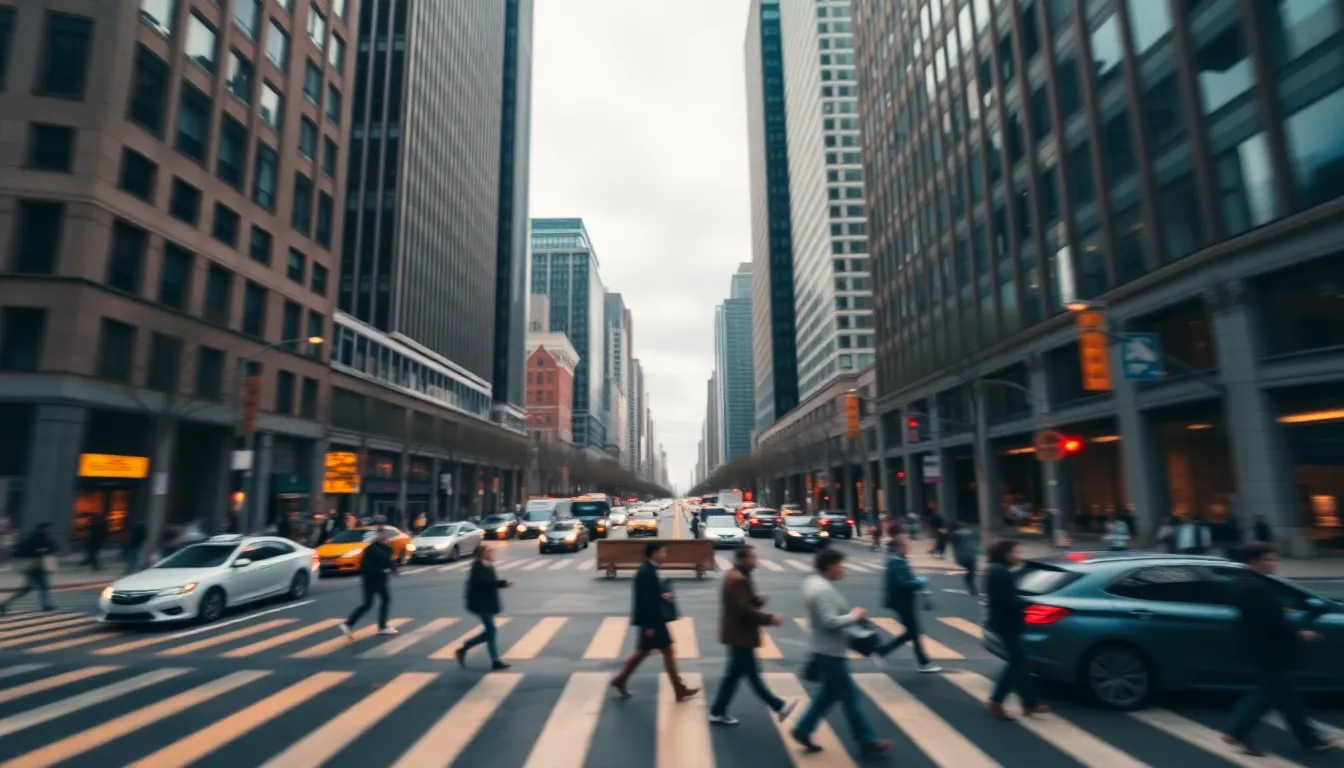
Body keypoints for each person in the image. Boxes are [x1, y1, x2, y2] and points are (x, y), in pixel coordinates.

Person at [1222, 544, 1336, 756]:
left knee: (1287, 697)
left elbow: (1263, 613)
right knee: (1268, 694)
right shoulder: (1254, 586)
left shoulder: (1248, 583)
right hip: (1269, 649)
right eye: (1268, 559)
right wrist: (1299, 633)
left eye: (1273, 559)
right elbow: (1269, 620)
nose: (1273, 563)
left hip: (1262, 647)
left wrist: (1281, 611)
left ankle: (1309, 739)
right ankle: (1237, 731)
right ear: (1255, 561)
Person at [792, 548, 892, 759]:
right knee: (849, 697)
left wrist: (851, 616)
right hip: (829, 652)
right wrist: (854, 616)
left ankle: (803, 729)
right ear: (829, 566)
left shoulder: (814, 582)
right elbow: (829, 622)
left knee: (828, 695)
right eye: (840, 565)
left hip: (826, 648)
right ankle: (867, 741)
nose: (843, 569)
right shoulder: (822, 590)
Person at [709, 545, 795, 725]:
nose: (756, 561)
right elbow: (744, 609)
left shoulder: (737, 575)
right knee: (752, 675)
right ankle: (779, 706)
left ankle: (717, 711)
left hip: (737, 635)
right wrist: (770, 618)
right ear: (742, 559)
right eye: (752, 558)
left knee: (733, 676)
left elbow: (743, 603)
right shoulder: (738, 579)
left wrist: (757, 600)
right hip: (740, 635)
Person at [610, 542, 699, 701]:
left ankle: (621, 680)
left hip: (652, 619)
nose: (665, 555)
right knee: (663, 652)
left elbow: (651, 595)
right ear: (654, 554)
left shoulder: (650, 570)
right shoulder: (646, 572)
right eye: (662, 552)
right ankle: (679, 689)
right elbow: (644, 600)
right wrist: (649, 625)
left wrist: (662, 596)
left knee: (646, 652)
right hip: (652, 620)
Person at [984, 539, 1049, 720]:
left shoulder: (996, 570)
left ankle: (1030, 703)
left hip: (1004, 623)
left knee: (1020, 662)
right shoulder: (1001, 573)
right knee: (1018, 663)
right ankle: (996, 701)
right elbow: (1008, 601)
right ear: (1006, 554)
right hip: (1008, 624)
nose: (1018, 555)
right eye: (1015, 552)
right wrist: (1027, 603)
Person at [875, 533, 940, 672]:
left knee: (913, 632)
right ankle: (882, 651)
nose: (909, 547)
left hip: (904, 601)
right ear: (900, 547)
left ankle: (923, 662)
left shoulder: (898, 559)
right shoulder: (895, 561)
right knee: (913, 632)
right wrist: (919, 582)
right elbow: (901, 583)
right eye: (907, 545)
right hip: (901, 602)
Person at [456, 544, 513, 670]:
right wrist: (502, 583)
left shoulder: (489, 565)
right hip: (480, 604)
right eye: (489, 552)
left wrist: (502, 584)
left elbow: (491, 583)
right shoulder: (477, 566)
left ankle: (465, 649)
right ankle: (494, 660)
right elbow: (484, 583)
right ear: (482, 554)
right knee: (491, 631)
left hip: (488, 603)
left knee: (490, 632)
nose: (491, 554)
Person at [338, 525, 399, 638]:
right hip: (372, 579)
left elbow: (389, 561)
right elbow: (364, 565)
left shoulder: (387, 547)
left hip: (377, 579)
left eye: (384, 533)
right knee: (375, 602)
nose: (383, 535)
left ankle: (349, 624)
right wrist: (381, 571)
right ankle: (380, 627)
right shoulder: (371, 548)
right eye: (381, 533)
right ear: (377, 534)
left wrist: (393, 569)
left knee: (373, 602)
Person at [0, 523, 59, 615]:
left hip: (42, 566)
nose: (49, 531)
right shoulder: (31, 539)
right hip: (33, 567)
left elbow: (55, 547)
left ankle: (4, 604)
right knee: (44, 586)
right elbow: (20, 552)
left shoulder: (46, 538)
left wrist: (46, 550)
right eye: (47, 529)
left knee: (27, 589)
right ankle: (46, 605)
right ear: (41, 529)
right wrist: (36, 552)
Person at [949, 521, 980, 597]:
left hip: (964, 556)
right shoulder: (969, 533)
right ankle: (971, 587)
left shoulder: (955, 535)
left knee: (970, 571)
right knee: (971, 571)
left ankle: (971, 587)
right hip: (969, 555)